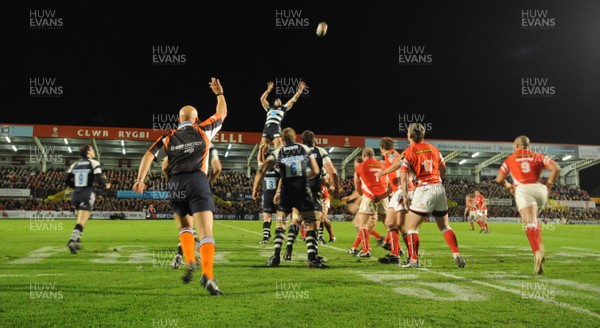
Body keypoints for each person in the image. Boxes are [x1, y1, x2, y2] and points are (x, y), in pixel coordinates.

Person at [133, 77, 226, 295]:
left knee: (185, 227)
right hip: (197, 181)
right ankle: (208, 275)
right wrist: (219, 94)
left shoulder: (168, 137)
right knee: (206, 233)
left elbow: (149, 155)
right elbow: (222, 113)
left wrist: (140, 179)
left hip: (175, 183)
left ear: (178, 120)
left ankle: (189, 259)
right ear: (196, 119)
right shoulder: (203, 129)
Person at [377, 123, 465, 268]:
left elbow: (404, 178)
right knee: (444, 226)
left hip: (424, 189)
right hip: (439, 187)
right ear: (423, 135)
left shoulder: (408, 152)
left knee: (411, 227)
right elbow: (443, 170)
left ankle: (413, 260)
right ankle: (456, 254)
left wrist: (405, 196)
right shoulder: (434, 149)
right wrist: (438, 180)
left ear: (408, 135)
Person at [252, 127, 326, 268]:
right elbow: (316, 171)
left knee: (281, 224)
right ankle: (311, 258)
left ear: (282, 140)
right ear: (295, 138)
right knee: (310, 222)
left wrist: (255, 188)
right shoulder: (304, 148)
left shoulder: (278, 151)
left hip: (286, 190)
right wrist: (305, 175)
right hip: (302, 190)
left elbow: (262, 168)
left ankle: (275, 257)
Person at [496, 135, 560, 274]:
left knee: (529, 223)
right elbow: (556, 168)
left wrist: (509, 186)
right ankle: (540, 249)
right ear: (528, 146)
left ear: (517, 145)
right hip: (540, 190)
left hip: (523, 189)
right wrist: (548, 185)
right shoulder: (538, 156)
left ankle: (537, 252)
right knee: (534, 220)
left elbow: (499, 179)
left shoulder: (511, 158)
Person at [170, 145, 222, 269]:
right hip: (198, 185)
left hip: (179, 184)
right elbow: (217, 169)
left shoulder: (178, 142)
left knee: (185, 227)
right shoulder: (209, 145)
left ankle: (180, 255)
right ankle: (206, 271)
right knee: (205, 232)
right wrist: (207, 184)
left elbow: (165, 166)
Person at [65, 145, 111, 254]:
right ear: (88, 152)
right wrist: (106, 185)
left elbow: (66, 180)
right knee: (82, 221)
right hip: (87, 193)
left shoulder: (74, 164)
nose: (94, 151)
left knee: (80, 219)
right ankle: (72, 241)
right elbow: (100, 179)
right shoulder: (93, 163)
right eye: (92, 149)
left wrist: (76, 185)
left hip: (76, 194)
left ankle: (77, 241)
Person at [301, 130, 340, 246]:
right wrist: (336, 188)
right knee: (311, 219)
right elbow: (332, 173)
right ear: (314, 140)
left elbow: (327, 179)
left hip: (322, 195)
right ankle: (316, 241)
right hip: (316, 192)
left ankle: (322, 237)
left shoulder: (299, 154)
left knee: (321, 217)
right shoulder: (320, 154)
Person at [353, 148, 392, 258]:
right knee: (389, 224)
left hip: (370, 196)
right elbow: (388, 183)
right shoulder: (382, 165)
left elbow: (358, 187)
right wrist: (382, 195)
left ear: (363, 155)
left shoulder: (360, 167)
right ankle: (396, 249)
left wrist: (364, 195)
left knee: (362, 224)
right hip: (383, 196)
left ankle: (366, 250)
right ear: (374, 155)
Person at [257, 80, 307, 162]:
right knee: (262, 149)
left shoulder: (284, 108)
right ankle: (261, 165)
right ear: (274, 102)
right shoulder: (269, 108)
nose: (279, 100)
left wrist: (300, 91)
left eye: (280, 100)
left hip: (275, 128)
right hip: (267, 128)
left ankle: (281, 164)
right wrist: (268, 90)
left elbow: (293, 99)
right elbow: (262, 99)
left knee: (279, 147)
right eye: (277, 99)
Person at [257, 151, 280, 244]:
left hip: (266, 196)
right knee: (279, 219)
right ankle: (278, 237)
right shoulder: (278, 171)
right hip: (277, 196)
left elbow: (258, 160)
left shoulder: (263, 169)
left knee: (266, 218)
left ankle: (265, 238)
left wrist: (261, 149)